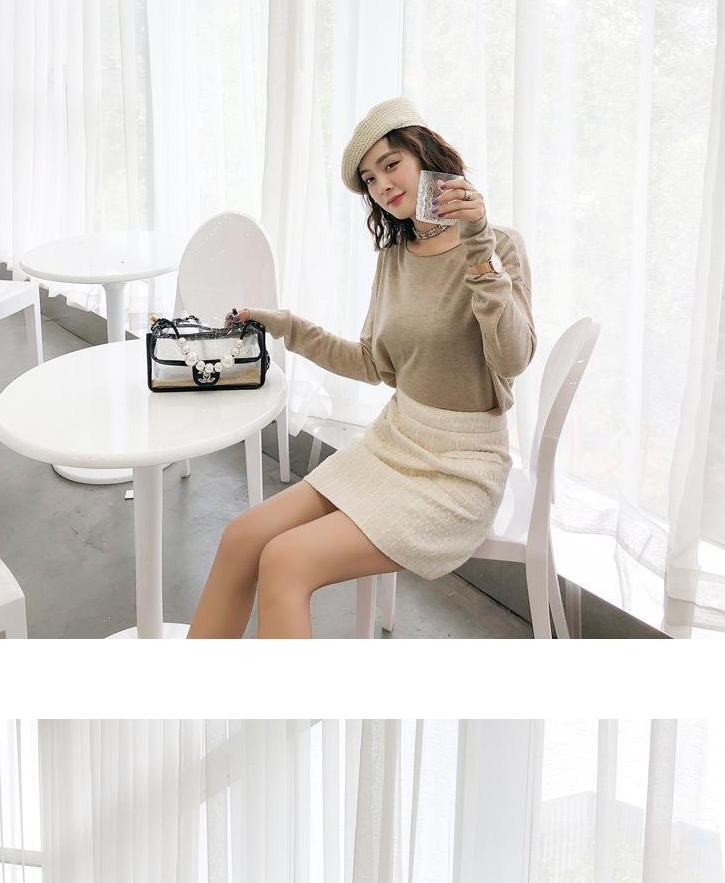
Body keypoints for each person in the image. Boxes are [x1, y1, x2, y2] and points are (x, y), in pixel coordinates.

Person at [187, 97, 535, 639]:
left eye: (391, 164)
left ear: (427, 156)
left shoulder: (497, 245)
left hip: (462, 466)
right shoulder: (395, 258)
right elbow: (373, 363)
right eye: (370, 179)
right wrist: (285, 325)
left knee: (285, 561)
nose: (382, 186)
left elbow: (513, 360)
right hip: (396, 440)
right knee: (242, 537)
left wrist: (478, 245)